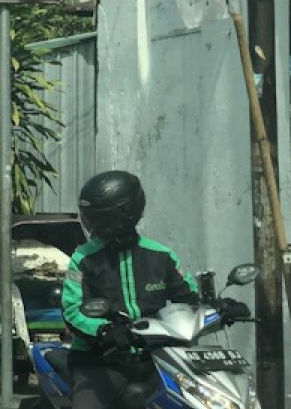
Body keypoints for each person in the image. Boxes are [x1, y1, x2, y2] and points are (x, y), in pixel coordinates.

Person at [61, 170, 198, 409]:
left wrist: (217, 307)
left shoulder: (162, 256)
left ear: (123, 215)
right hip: (99, 363)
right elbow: (72, 310)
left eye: (98, 217)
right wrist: (104, 331)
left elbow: (189, 299)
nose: (92, 223)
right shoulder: (83, 258)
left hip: (156, 360)